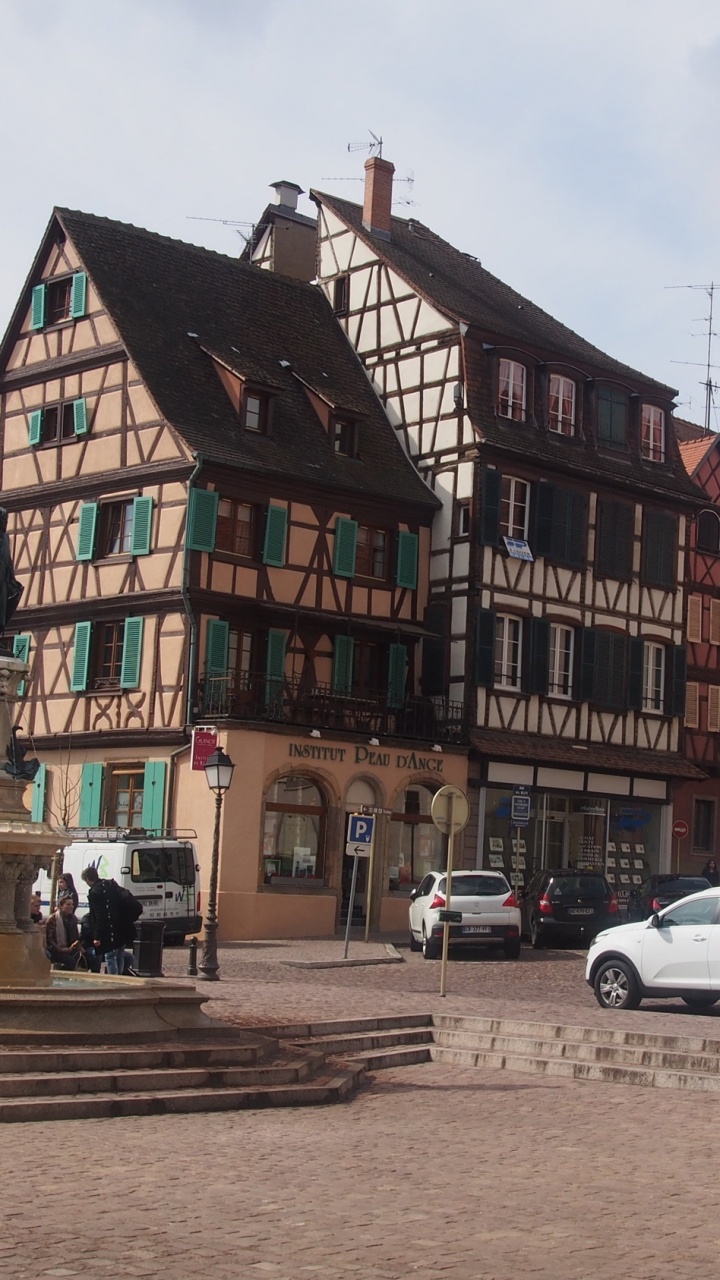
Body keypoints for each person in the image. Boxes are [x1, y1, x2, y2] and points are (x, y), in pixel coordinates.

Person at [81, 865, 136, 975]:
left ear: (87, 879)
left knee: (110, 956)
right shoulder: (110, 884)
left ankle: (113, 980)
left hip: (109, 929)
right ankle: (119, 978)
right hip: (121, 925)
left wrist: (97, 936)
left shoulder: (95, 892)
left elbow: (99, 915)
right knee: (119, 955)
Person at [44, 897, 82, 970]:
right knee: (70, 961)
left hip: (69, 948)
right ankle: (59, 975)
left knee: (83, 957)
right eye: (68, 904)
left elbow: (76, 936)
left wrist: (79, 946)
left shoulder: (73, 918)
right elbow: (49, 939)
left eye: (72, 904)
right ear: (61, 906)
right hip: (55, 950)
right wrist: (61, 949)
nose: (71, 906)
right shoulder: (53, 918)